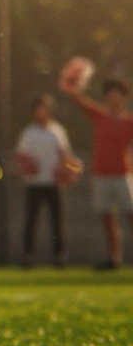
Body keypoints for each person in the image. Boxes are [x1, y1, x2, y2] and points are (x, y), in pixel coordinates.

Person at [59, 74, 133, 270]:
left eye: (118, 94)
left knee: (131, 215)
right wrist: (72, 87)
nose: (114, 98)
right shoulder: (100, 116)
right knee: (107, 220)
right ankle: (113, 259)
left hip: (123, 175)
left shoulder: (129, 122)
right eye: (111, 94)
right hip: (101, 176)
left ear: (124, 98)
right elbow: (81, 102)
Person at [15, 94, 79, 269]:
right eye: (37, 109)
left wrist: (70, 169)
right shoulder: (29, 132)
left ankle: (60, 255)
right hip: (34, 183)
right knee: (31, 221)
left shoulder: (57, 131)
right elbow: (20, 156)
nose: (40, 113)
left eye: (43, 109)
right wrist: (28, 166)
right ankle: (27, 255)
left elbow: (66, 155)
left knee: (57, 221)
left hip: (53, 182)